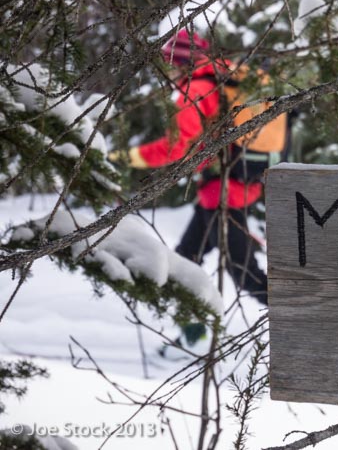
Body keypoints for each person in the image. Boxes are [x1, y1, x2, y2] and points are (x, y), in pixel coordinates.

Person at [112, 29, 288, 331]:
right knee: (188, 260)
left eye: (169, 63)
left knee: (238, 271)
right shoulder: (224, 77)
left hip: (223, 194)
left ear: (179, 62)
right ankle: (192, 332)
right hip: (231, 188)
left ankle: (302, 312)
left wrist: (127, 158)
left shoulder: (196, 90)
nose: (168, 71)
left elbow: (176, 146)